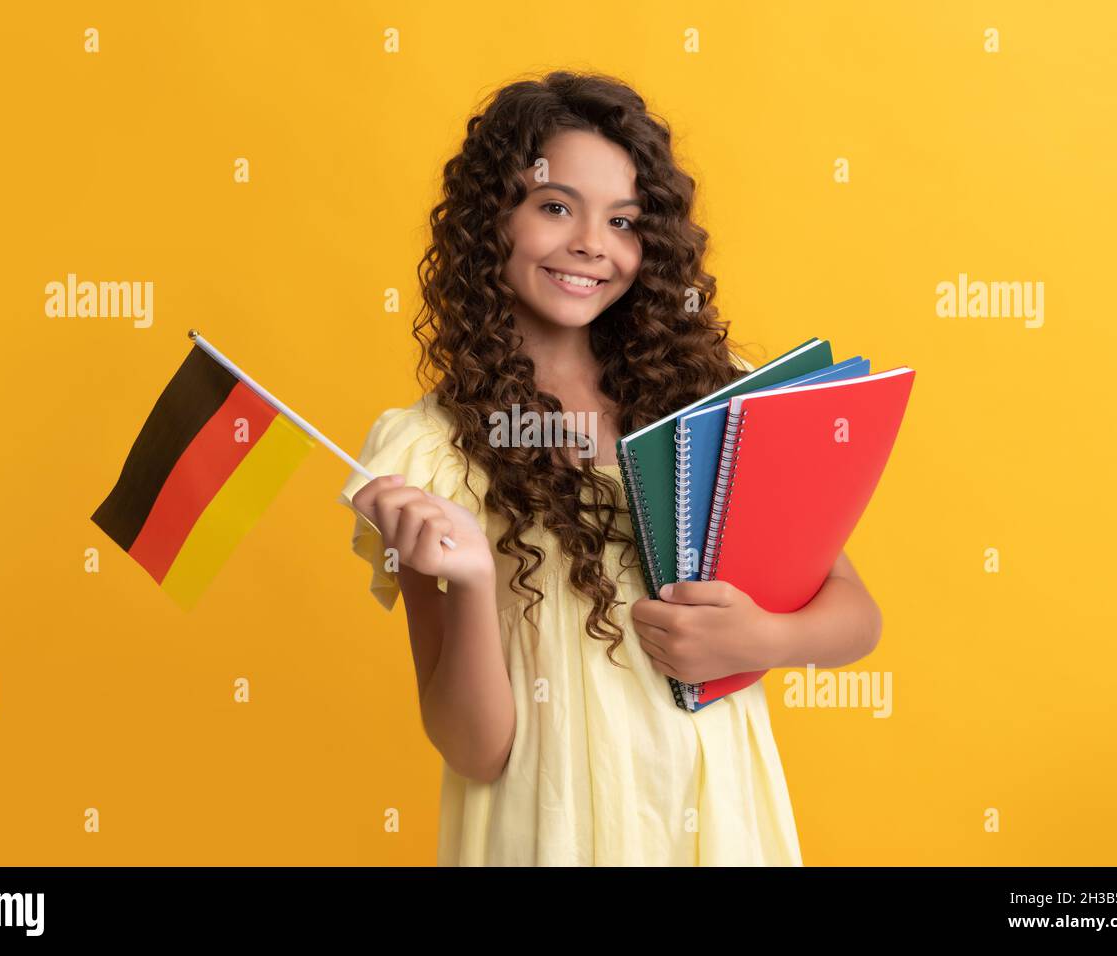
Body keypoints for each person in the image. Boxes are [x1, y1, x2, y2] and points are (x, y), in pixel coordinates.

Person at [339, 71, 883, 865]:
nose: (592, 242)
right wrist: (474, 582)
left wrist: (760, 638)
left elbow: (856, 617)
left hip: (714, 817)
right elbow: (474, 751)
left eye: (623, 220)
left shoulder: (711, 399)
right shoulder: (434, 453)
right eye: (555, 206)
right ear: (492, 219)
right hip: (546, 827)